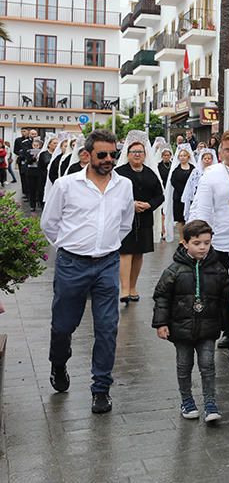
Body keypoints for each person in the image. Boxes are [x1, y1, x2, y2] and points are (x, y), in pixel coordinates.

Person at [41, 130, 135, 414]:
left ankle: (101, 389)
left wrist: (107, 245)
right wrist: (71, 247)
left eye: (113, 154)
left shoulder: (125, 185)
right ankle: (59, 362)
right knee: (63, 326)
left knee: (107, 328)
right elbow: (50, 223)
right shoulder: (66, 185)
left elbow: (125, 223)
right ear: (88, 155)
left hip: (107, 263)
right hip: (72, 264)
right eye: (102, 154)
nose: (108, 160)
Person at [152, 219, 227, 423]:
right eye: (197, 243)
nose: (202, 247)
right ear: (185, 243)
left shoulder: (218, 269)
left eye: (207, 242)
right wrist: (161, 323)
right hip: (181, 329)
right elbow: (162, 297)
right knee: (184, 366)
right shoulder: (174, 270)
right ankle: (187, 400)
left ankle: (210, 402)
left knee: (207, 364)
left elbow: (225, 295)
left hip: (208, 328)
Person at [190, 130, 229, 364]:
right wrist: (199, 240)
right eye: (227, 150)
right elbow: (203, 208)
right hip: (222, 244)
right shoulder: (212, 174)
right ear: (220, 151)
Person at [115, 137, 164, 304]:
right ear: (127, 154)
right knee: (126, 252)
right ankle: (125, 289)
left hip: (144, 218)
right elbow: (112, 194)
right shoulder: (119, 172)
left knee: (139, 253)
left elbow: (160, 196)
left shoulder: (150, 173)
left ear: (145, 155)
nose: (137, 155)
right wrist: (131, 205)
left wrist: (149, 204)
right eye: (134, 152)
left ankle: (134, 286)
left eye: (140, 152)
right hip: (125, 218)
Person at [164, 145, 195, 239]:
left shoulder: (193, 168)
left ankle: (189, 237)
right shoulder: (176, 169)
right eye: (181, 156)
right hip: (178, 197)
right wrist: (182, 190)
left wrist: (189, 191)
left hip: (190, 197)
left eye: (184, 155)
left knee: (190, 218)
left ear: (188, 157)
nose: (182, 157)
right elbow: (173, 181)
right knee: (180, 219)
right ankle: (181, 238)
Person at [181, 149, 218, 220]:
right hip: (199, 197)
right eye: (205, 158)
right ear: (202, 160)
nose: (207, 160)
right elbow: (190, 185)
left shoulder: (216, 172)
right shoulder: (196, 172)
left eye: (209, 158)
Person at [22, 138, 44, 211]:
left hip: (39, 172)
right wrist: (33, 158)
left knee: (40, 189)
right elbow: (27, 162)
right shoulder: (29, 152)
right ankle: (32, 205)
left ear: (39, 146)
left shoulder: (42, 153)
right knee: (32, 189)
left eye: (37, 145)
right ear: (32, 145)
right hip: (31, 172)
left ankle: (40, 203)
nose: (35, 146)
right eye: (34, 145)